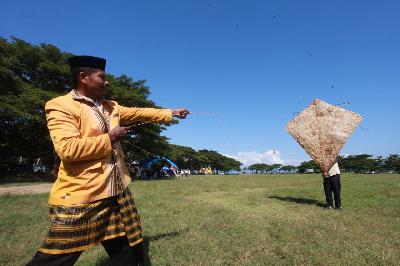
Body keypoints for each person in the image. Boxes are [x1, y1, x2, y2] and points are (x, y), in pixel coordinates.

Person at [27, 55, 190, 266]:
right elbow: (67, 149)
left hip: (117, 194)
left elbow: (140, 112)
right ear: (83, 77)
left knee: (129, 255)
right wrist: (109, 138)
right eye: (102, 77)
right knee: (55, 258)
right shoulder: (60, 106)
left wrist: (171, 112)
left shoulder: (110, 106)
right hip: (84, 196)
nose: (107, 81)